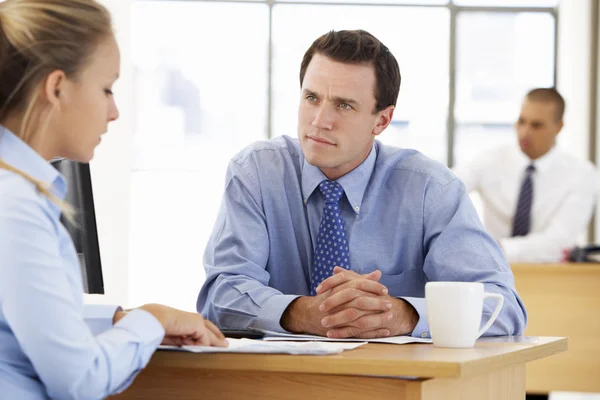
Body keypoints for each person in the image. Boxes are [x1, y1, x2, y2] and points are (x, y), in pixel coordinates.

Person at [197, 29, 527, 340]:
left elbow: (503, 306)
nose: (319, 120)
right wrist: (313, 313)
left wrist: (402, 315)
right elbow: (221, 295)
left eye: (344, 105)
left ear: (381, 120)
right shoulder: (256, 172)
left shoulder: (430, 190)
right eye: (311, 97)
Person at [0, 1, 227, 399]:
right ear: (56, 88)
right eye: (106, 88)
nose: (114, 111)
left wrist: (120, 318)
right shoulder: (16, 205)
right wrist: (153, 319)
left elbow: (27, 316)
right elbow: (81, 380)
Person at [453, 88, 598, 263]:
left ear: (558, 127)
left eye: (536, 125)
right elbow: (448, 187)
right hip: (488, 270)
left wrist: (496, 248)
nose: (525, 131)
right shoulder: (489, 160)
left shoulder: (582, 175)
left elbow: (559, 241)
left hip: (550, 277)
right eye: (521, 121)